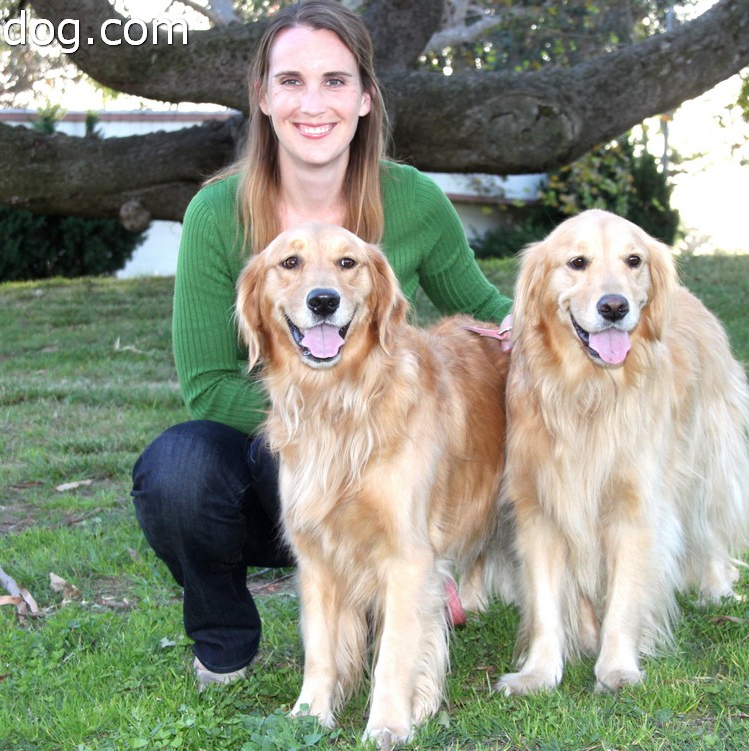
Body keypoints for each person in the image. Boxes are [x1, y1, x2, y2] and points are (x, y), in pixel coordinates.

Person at [130, 0, 513, 690]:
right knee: (176, 469)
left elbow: (488, 315)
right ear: (263, 96)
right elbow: (209, 386)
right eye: (292, 80)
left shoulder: (415, 200)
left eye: (335, 81)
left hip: (384, 446)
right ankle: (225, 642)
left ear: (365, 98)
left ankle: (406, 566)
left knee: (412, 462)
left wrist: (581, 322)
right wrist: (325, 425)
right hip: (277, 457)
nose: (313, 103)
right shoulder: (216, 214)